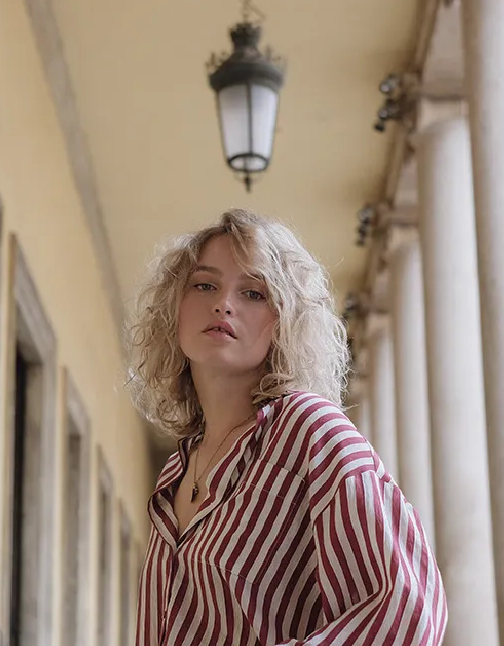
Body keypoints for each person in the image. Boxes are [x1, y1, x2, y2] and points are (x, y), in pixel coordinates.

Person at [126, 209, 446, 645]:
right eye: (205, 284)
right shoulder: (176, 472)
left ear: (284, 320)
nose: (224, 303)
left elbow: (408, 613)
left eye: (254, 293)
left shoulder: (311, 433)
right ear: (174, 308)